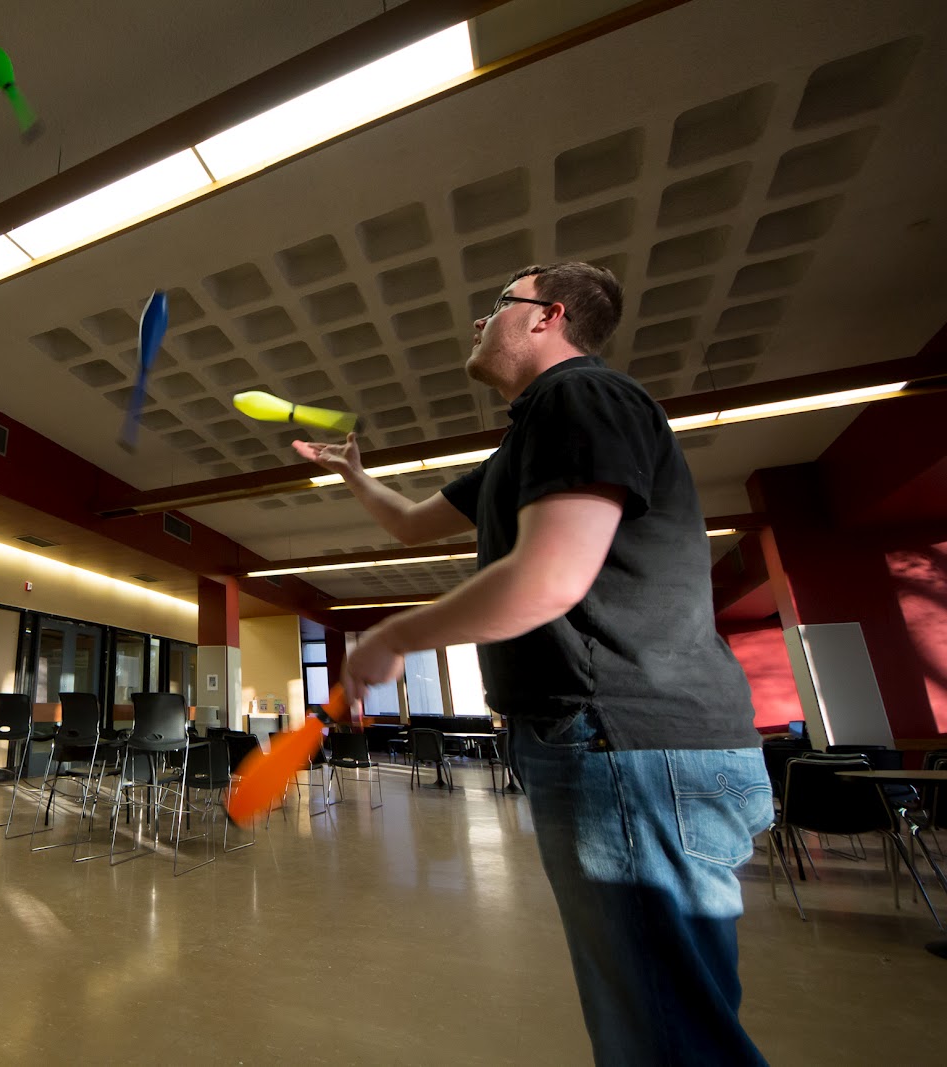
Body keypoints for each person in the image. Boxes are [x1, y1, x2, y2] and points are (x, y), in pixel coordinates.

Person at [298, 262, 772, 1065]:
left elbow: (550, 579)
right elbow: (413, 525)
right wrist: (353, 475)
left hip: (627, 743)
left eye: (495, 305)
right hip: (620, 749)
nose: (478, 323)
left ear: (548, 316)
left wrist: (393, 637)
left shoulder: (579, 397)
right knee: (656, 1022)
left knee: (667, 1036)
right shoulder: (530, 436)